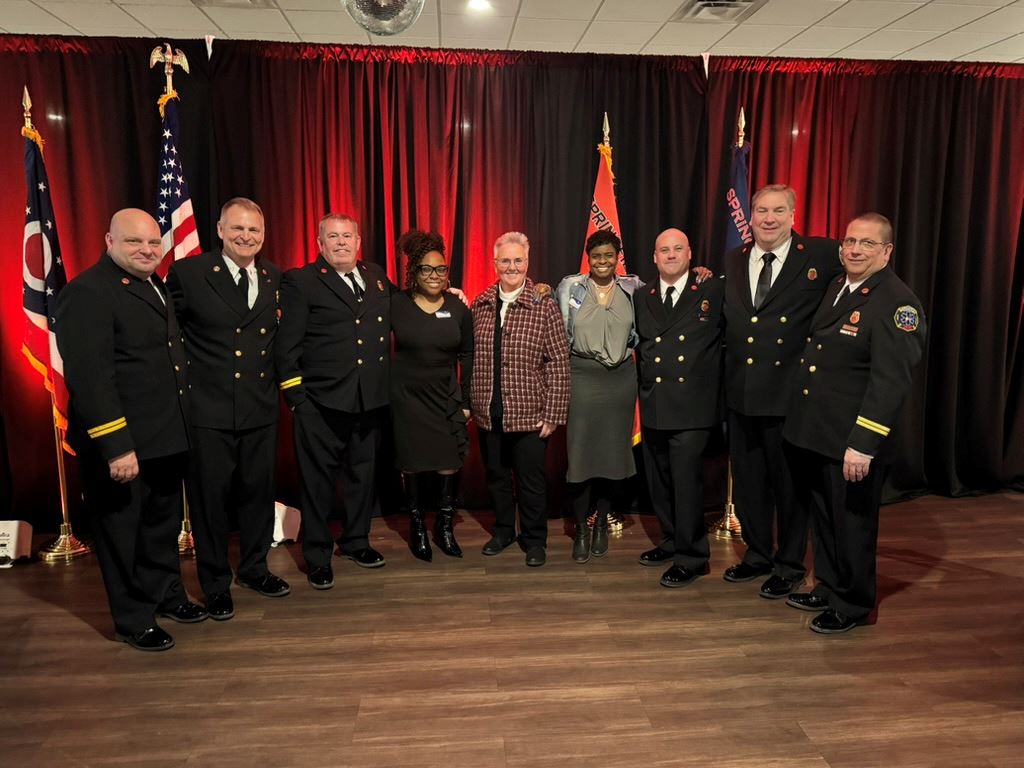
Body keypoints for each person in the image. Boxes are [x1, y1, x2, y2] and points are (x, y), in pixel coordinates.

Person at [56, 209, 206, 651]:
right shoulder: (87, 292)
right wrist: (116, 446)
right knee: (122, 534)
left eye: (153, 243)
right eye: (134, 243)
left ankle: (165, 595)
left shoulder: (154, 285)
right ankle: (132, 618)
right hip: (123, 444)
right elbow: (90, 377)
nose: (147, 250)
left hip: (164, 437)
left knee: (159, 527)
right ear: (109, 241)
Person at [783, 213, 925, 633]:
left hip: (851, 439)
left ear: (887, 251)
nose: (855, 249)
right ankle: (830, 584)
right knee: (826, 518)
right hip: (820, 431)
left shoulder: (897, 304)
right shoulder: (839, 287)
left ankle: (855, 603)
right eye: (849, 241)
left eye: (866, 243)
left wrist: (863, 443)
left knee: (853, 525)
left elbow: (890, 383)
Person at [165, 198, 288, 622]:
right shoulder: (189, 273)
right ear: (219, 229)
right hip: (209, 410)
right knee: (210, 503)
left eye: (254, 230)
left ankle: (255, 568)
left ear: (263, 235)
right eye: (237, 228)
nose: (245, 236)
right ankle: (215, 584)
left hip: (259, 407)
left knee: (258, 495)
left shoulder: (273, 276)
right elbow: (170, 339)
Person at [721, 184, 843, 600]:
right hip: (741, 394)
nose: (768, 218)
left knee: (789, 486)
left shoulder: (822, 255)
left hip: (790, 396)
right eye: (761, 210)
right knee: (751, 483)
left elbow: (864, 274)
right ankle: (757, 552)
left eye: (778, 210)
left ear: (793, 214)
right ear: (750, 216)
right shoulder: (734, 259)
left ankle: (789, 564)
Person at [275, 213, 392, 589]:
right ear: (320, 243)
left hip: (368, 400)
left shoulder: (374, 274)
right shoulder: (302, 281)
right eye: (333, 236)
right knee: (317, 485)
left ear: (358, 241)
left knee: (362, 478)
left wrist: (446, 293)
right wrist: (297, 400)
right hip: (320, 404)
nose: (341, 242)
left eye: (347, 236)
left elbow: (401, 307)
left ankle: (357, 542)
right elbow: (286, 346)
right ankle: (317, 555)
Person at [470, 231, 570, 567]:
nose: (511, 266)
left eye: (518, 260)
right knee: (497, 477)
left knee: (530, 481)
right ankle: (502, 531)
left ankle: (534, 539)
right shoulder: (480, 304)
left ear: (527, 263)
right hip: (489, 411)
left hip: (530, 414)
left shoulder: (545, 305)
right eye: (505, 260)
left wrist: (553, 413)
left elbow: (558, 361)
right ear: (495, 263)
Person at [634, 228, 725, 588]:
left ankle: (693, 557)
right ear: (654, 257)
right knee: (660, 481)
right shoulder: (643, 295)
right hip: (655, 402)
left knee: (687, 483)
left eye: (677, 249)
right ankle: (672, 540)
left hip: (692, 406)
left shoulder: (711, 289)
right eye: (663, 250)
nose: (670, 255)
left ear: (690, 254)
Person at [555, 230, 640, 563]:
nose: (602, 261)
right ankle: (580, 528)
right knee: (580, 457)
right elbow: (552, 320)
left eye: (609, 255)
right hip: (582, 376)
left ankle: (602, 521)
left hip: (620, 380)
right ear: (587, 258)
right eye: (596, 256)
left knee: (611, 457)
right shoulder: (570, 287)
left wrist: (702, 274)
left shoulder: (633, 288)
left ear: (618, 256)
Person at [390, 230, 474, 562]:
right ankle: (417, 527)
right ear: (414, 271)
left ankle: (444, 526)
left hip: (445, 398)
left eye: (440, 269)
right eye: (426, 269)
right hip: (407, 399)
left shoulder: (457, 307)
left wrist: (465, 401)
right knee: (411, 465)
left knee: (447, 465)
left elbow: (467, 355)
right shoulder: (396, 303)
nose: (434, 276)